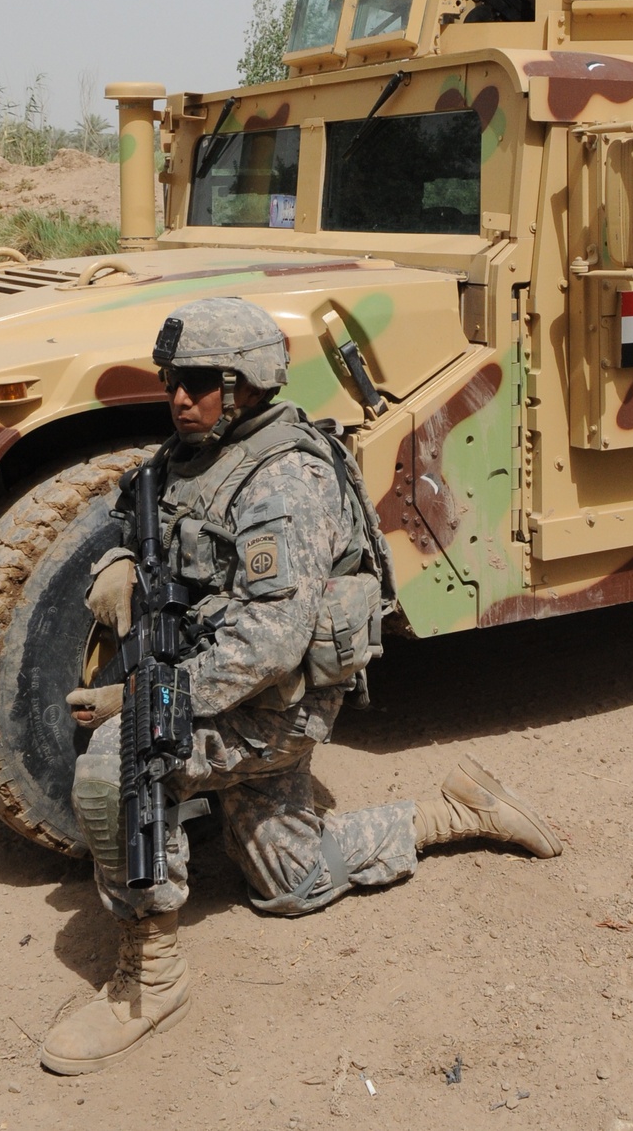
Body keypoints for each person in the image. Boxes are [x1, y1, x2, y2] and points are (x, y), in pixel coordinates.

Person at [41, 297, 561, 1076]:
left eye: (200, 381)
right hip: (225, 690)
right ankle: (451, 811)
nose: (178, 396)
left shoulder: (285, 482)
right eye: (172, 379)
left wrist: (141, 701)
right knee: (293, 883)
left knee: (116, 766)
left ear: (247, 384)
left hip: (273, 710)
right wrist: (117, 558)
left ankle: (151, 980)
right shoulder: (194, 449)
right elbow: (138, 505)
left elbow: (267, 644)